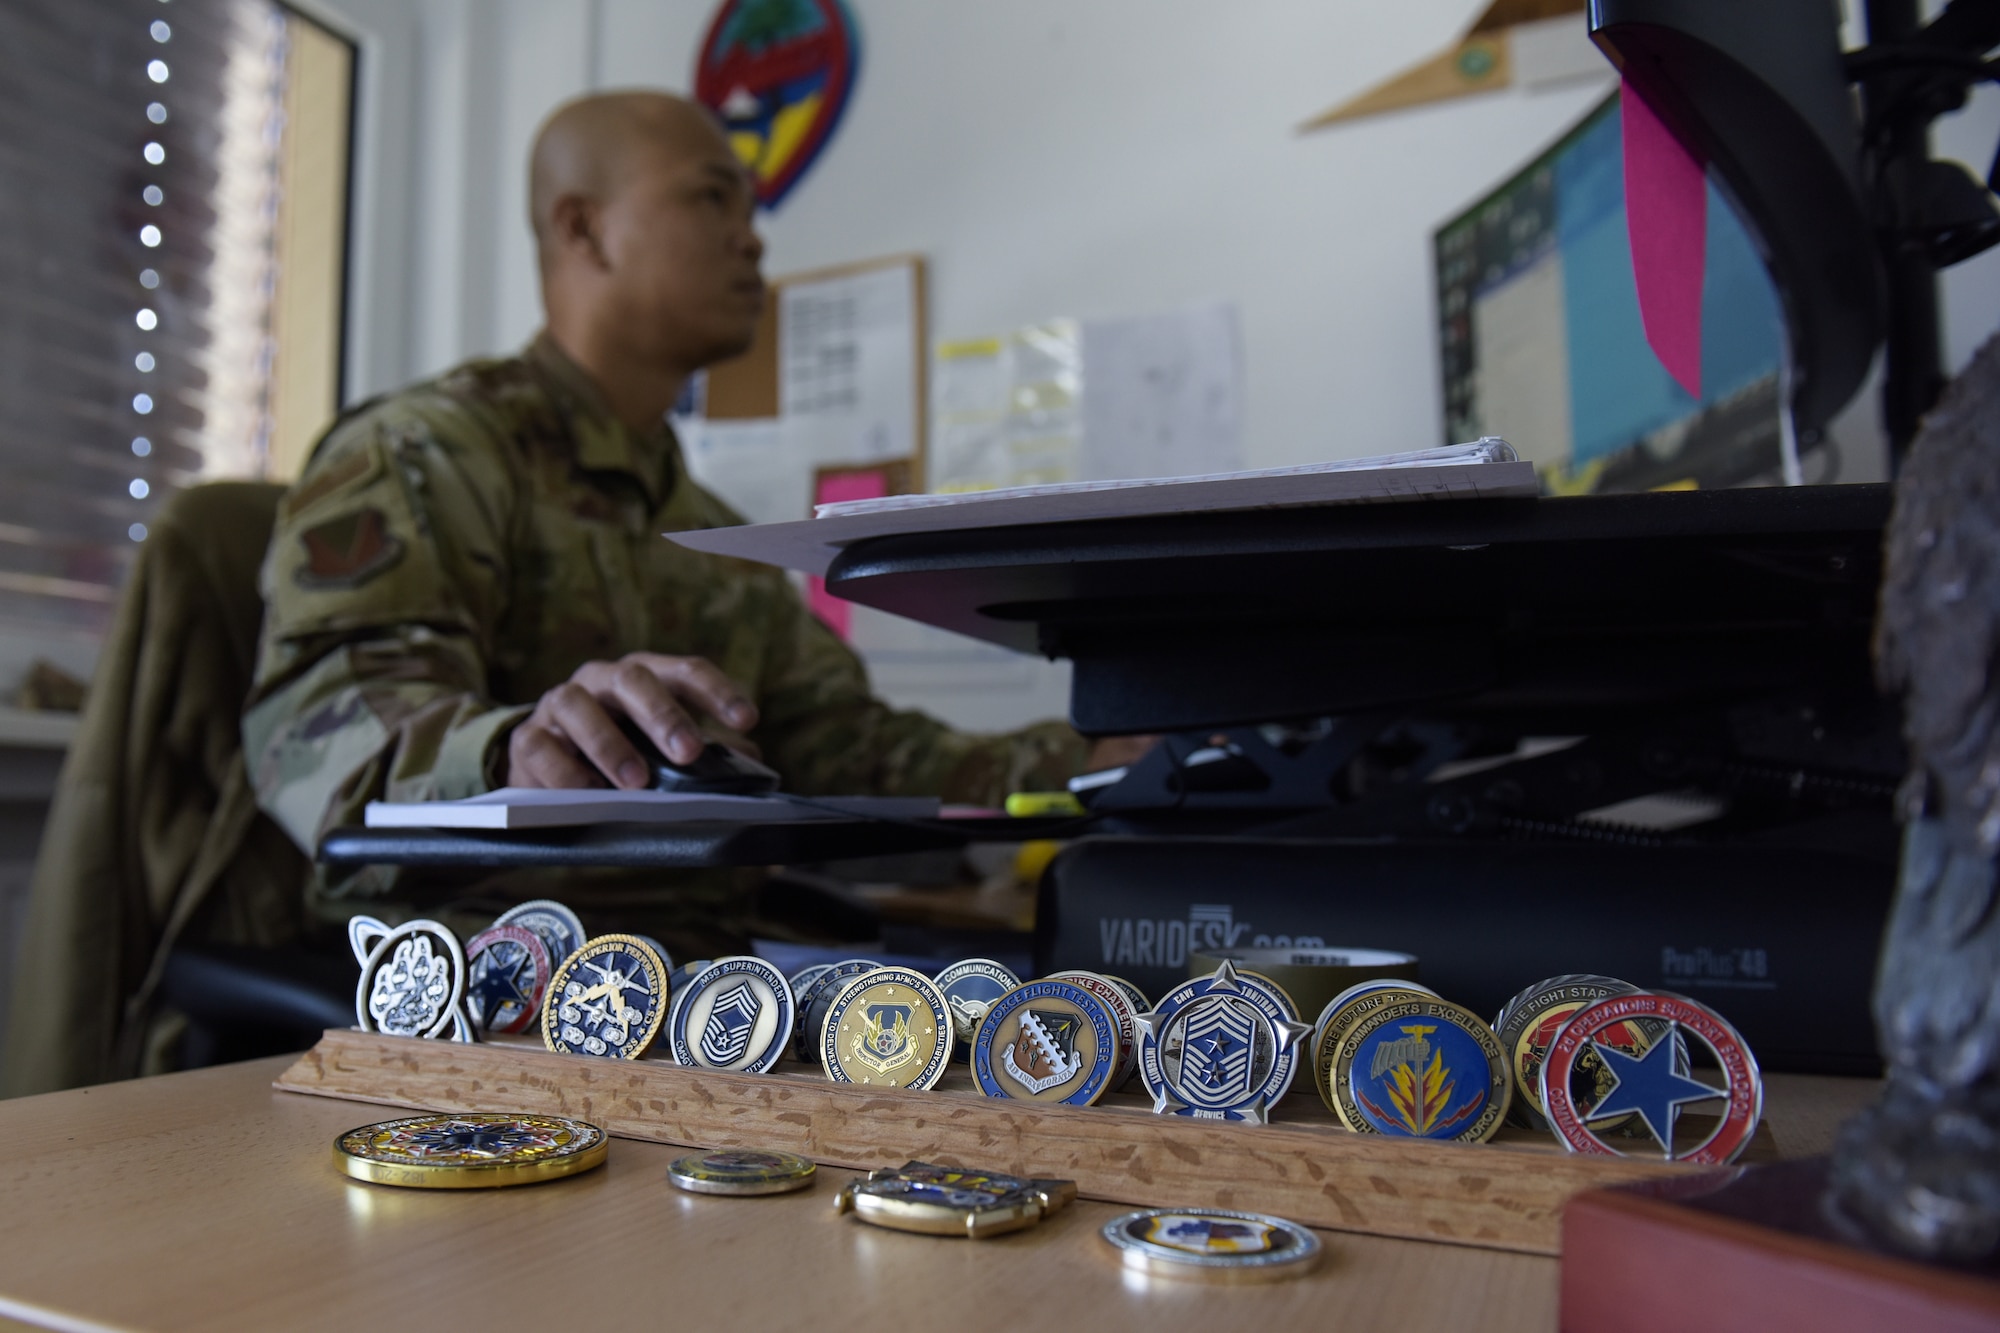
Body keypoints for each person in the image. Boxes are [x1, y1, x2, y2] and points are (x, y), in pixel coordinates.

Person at [242, 92, 1136, 961]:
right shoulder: (421, 456)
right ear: (582, 228)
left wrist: (1103, 756)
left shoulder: (713, 537)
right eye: (712, 196)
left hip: (707, 974)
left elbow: (846, 749)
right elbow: (322, 725)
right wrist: (511, 749)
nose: (752, 237)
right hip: (487, 971)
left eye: (750, 209)